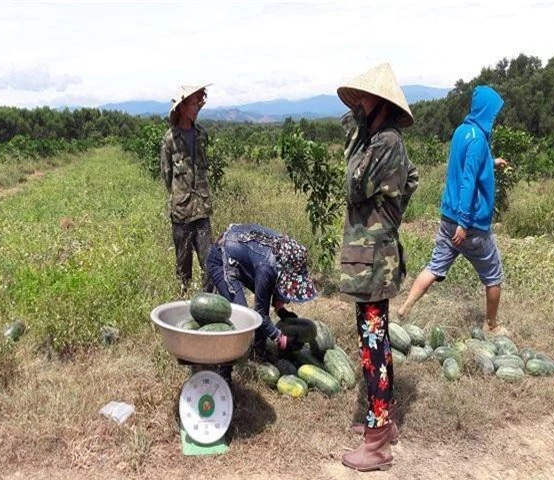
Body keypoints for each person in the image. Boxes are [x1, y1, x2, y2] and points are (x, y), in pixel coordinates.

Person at [336, 63, 419, 472]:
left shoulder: (383, 142)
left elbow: (352, 184)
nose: (359, 106)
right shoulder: (386, 142)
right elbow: (413, 178)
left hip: (372, 262)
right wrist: (392, 211)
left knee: (372, 346)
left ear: (382, 105)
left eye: (365, 101)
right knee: (378, 341)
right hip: (372, 259)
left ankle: (378, 444)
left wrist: (356, 135)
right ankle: (382, 422)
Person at [398, 85, 508, 336]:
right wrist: (464, 222)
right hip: (470, 225)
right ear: (486, 112)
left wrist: (492, 163)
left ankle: (404, 308)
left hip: (448, 218)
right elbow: (468, 180)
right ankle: (491, 325)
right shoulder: (479, 139)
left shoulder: (461, 131)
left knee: (435, 267)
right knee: (493, 275)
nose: (494, 118)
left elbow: (466, 165)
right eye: (493, 113)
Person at [206, 224, 318, 382]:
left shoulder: (283, 256)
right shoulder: (267, 268)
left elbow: (274, 288)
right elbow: (259, 314)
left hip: (242, 254)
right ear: (284, 270)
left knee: (259, 306)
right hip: (222, 257)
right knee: (240, 318)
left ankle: (259, 352)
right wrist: (280, 338)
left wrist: (280, 309)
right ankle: (224, 374)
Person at [160, 84, 214, 296]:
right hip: (181, 213)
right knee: (183, 268)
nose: (197, 107)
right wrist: (180, 196)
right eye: (193, 103)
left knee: (210, 263)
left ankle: (208, 304)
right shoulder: (169, 139)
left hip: (202, 210)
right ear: (182, 107)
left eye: (199, 102)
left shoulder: (201, 135)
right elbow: (167, 176)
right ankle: (183, 304)